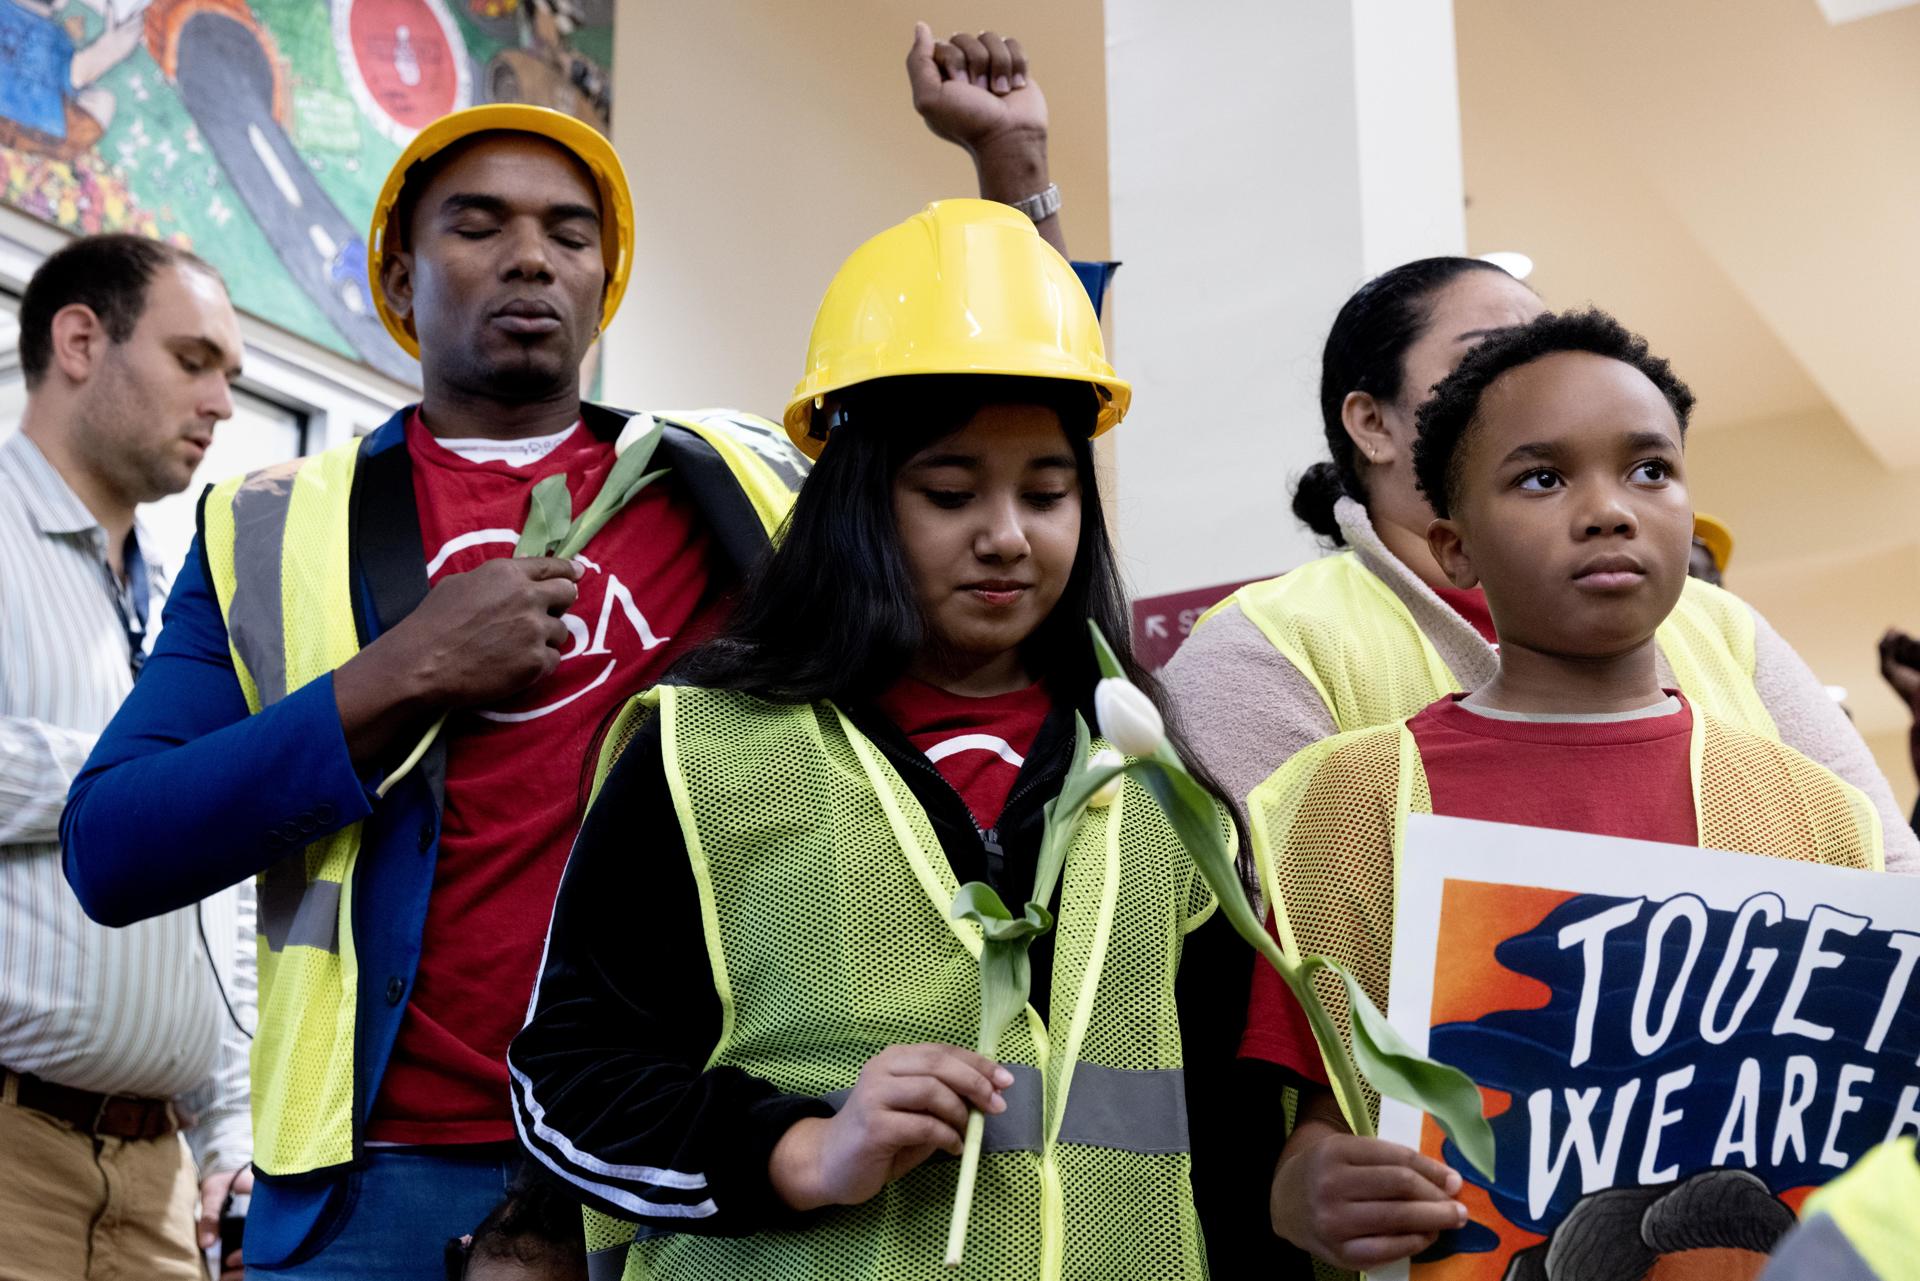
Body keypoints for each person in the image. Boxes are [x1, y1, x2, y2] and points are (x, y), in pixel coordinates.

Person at [59, 106, 807, 1279]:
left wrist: (1013, 182)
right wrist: (401, 673)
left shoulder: (740, 491)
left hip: (667, 1157)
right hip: (376, 1183)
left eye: (569, 232)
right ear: (401, 276)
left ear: (602, 282)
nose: (529, 256)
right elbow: (112, 846)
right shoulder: (268, 527)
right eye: (478, 225)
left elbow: (996, 496)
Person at [507, 199, 1254, 1280]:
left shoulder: (1156, 786)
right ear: (858, 500)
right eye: (950, 493)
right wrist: (803, 1150)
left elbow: (1228, 1129)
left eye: (1046, 493)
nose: (1006, 536)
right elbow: (566, 1078)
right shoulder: (701, 749)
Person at [1239, 310, 1883, 1273]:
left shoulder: (1818, 815)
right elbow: (1321, 1117)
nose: (1608, 509)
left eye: (1649, 470)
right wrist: (1307, 1187)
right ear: (1453, 550)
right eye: (1542, 478)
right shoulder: (1353, 802)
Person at [1157, 257, 1918, 872]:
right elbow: (1269, 939)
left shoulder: (1721, 627)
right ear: (1371, 423)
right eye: (1488, 359)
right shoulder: (1263, 644)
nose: (1539, 383)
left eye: (1650, 470)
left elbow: (1886, 882)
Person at [0, 233, 253, 1280]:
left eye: (231, 377)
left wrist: (233, 1138)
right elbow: (190, 804)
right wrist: (156, 789)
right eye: (194, 361)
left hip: (163, 1180)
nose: (223, 404)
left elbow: (222, 895)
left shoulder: (190, 600)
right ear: (78, 340)